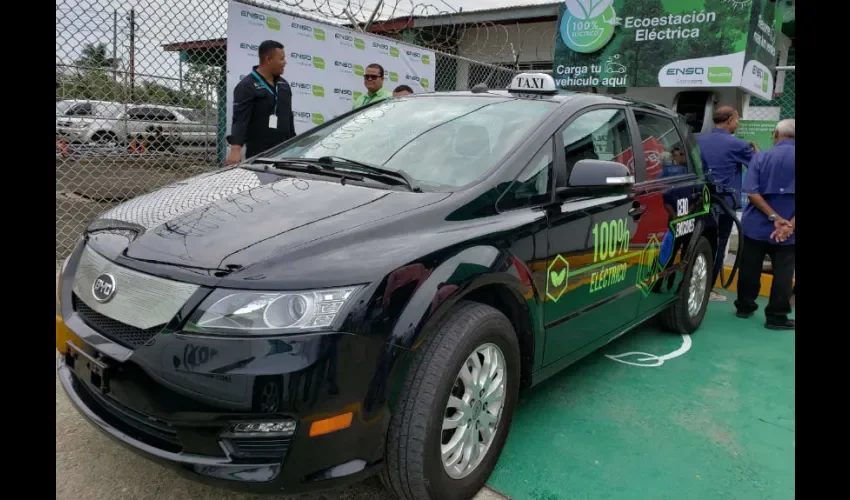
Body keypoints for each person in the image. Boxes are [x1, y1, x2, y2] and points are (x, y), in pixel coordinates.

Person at [734, 119, 795, 330]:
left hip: (757, 225)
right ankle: (777, 317)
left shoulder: (761, 158)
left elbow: (752, 193)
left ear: (776, 134)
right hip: (789, 231)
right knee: (784, 271)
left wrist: (773, 218)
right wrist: (789, 225)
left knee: (750, 266)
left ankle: (744, 307)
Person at [696, 106, 757, 301]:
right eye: (737, 120)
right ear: (730, 120)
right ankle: (708, 289)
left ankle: (690, 282)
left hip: (699, 201)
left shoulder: (697, 141)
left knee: (696, 242)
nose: (737, 124)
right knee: (719, 245)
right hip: (724, 205)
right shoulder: (739, 145)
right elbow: (759, 166)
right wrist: (754, 149)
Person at [226, 40, 295, 166]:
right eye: (282, 59)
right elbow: (240, 120)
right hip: (258, 155)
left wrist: (294, 145)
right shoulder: (246, 86)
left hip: (284, 154)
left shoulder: (284, 85)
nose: (285, 62)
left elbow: (289, 117)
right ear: (268, 59)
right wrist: (235, 150)